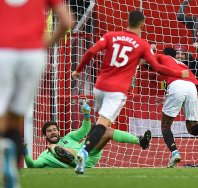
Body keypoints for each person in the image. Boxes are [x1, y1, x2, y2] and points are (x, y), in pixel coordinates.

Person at [71, 10, 189, 174]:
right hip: (116, 91)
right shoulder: (142, 44)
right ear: (142, 24)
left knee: (101, 123)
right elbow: (157, 67)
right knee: (102, 124)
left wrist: (78, 70)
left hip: (99, 86)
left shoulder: (111, 35)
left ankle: (83, 155)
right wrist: (178, 73)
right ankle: (84, 152)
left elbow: (91, 52)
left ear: (127, 21)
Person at [0, 1, 74, 187]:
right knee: (15, 117)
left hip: (4, 52)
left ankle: (5, 152)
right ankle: (12, 172)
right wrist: (44, 44)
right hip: (33, 55)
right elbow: (67, 21)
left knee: (2, 115)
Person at [24, 103, 150, 168]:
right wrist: (24, 150)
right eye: (49, 131)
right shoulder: (44, 155)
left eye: (54, 130)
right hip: (79, 161)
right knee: (52, 148)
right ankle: (69, 156)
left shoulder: (69, 137)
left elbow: (85, 129)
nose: (52, 132)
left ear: (58, 131)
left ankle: (140, 141)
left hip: (88, 151)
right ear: (44, 135)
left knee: (106, 130)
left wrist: (86, 114)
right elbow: (32, 165)